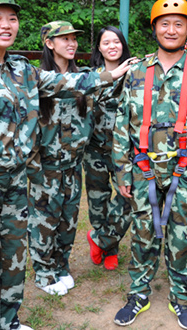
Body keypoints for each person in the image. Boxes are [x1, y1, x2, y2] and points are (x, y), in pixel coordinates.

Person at [0, 0, 131, 330]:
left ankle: (7, 321)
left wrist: (111, 75)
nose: (6, 25)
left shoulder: (21, 69)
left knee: (13, 258)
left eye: (11, 18)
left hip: (15, 179)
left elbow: (64, 82)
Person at [112, 0, 187, 330]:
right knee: (143, 234)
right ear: (154, 29)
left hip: (184, 170)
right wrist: (122, 170)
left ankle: (180, 298)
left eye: (178, 24)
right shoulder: (136, 71)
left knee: (182, 237)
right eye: (164, 23)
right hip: (142, 168)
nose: (171, 30)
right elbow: (121, 123)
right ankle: (138, 295)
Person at [27, 20, 93, 296]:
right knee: (44, 221)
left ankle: (61, 265)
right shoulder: (38, 78)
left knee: (68, 220)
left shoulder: (84, 78)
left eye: (74, 38)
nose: (71, 43)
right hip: (47, 166)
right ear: (49, 43)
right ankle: (44, 273)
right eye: (64, 38)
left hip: (73, 164)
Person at [84, 26, 133, 271]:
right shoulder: (90, 76)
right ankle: (108, 249)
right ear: (99, 48)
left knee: (129, 198)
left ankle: (103, 241)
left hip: (124, 150)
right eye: (106, 42)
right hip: (95, 149)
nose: (112, 46)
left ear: (123, 45)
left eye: (116, 41)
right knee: (98, 201)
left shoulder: (134, 74)